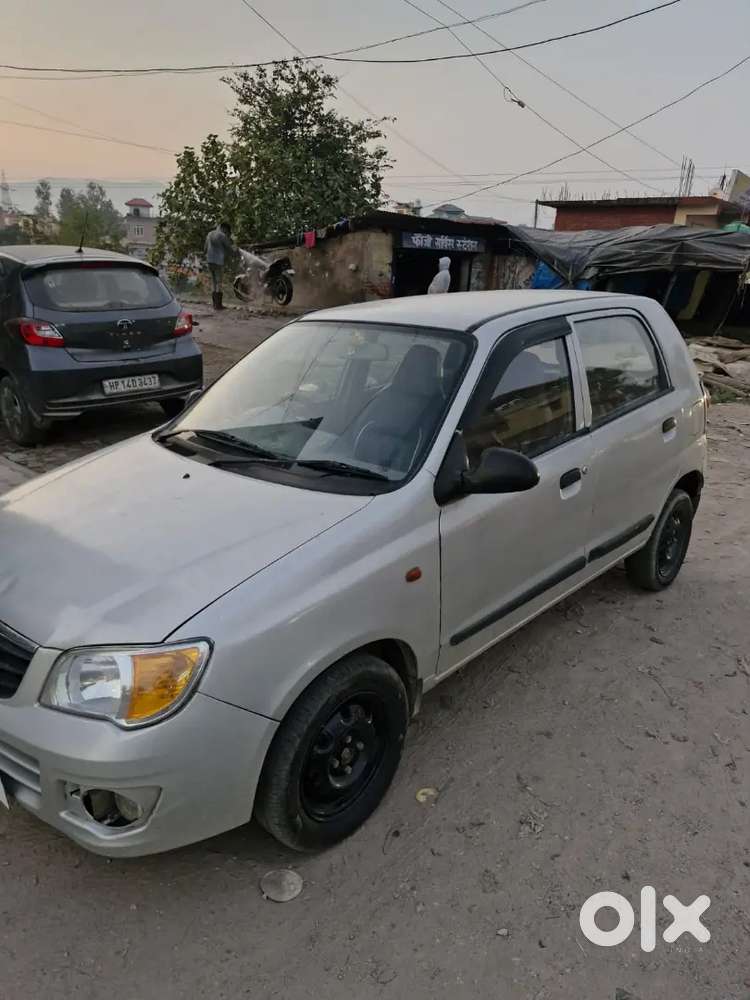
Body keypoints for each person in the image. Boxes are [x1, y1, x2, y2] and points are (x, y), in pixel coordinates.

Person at [205, 221, 235, 310]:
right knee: (218, 282)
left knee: (213, 282)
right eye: (227, 231)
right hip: (218, 262)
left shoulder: (209, 234)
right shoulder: (222, 236)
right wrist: (236, 252)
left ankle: (214, 304)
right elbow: (229, 249)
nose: (227, 233)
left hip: (209, 261)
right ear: (224, 228)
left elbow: (205, 248)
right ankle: (218, 305)